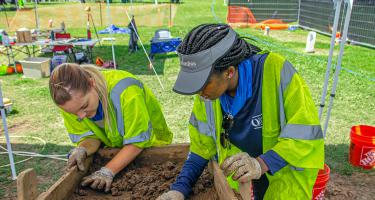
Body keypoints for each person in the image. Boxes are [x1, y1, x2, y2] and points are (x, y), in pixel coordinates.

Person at [157, 24, 324, 200]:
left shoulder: (277, 71)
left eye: (203, 84)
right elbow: (201, 148)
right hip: (246, 182)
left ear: (229, 72)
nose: (199, 93)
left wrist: (260, 164)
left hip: (285, 178)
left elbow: (305, 136)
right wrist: (178, 189)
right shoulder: (208, 96)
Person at [49, 63, 172, 193]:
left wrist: (107, 171)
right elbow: (90, 136)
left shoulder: (127, 91)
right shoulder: (71, 105)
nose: (81, 116)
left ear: (91, 84)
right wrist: (83, 149)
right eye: (74, 113)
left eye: (84, 106)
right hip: (115, 150)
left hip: (152, 152)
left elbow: (137, 141)